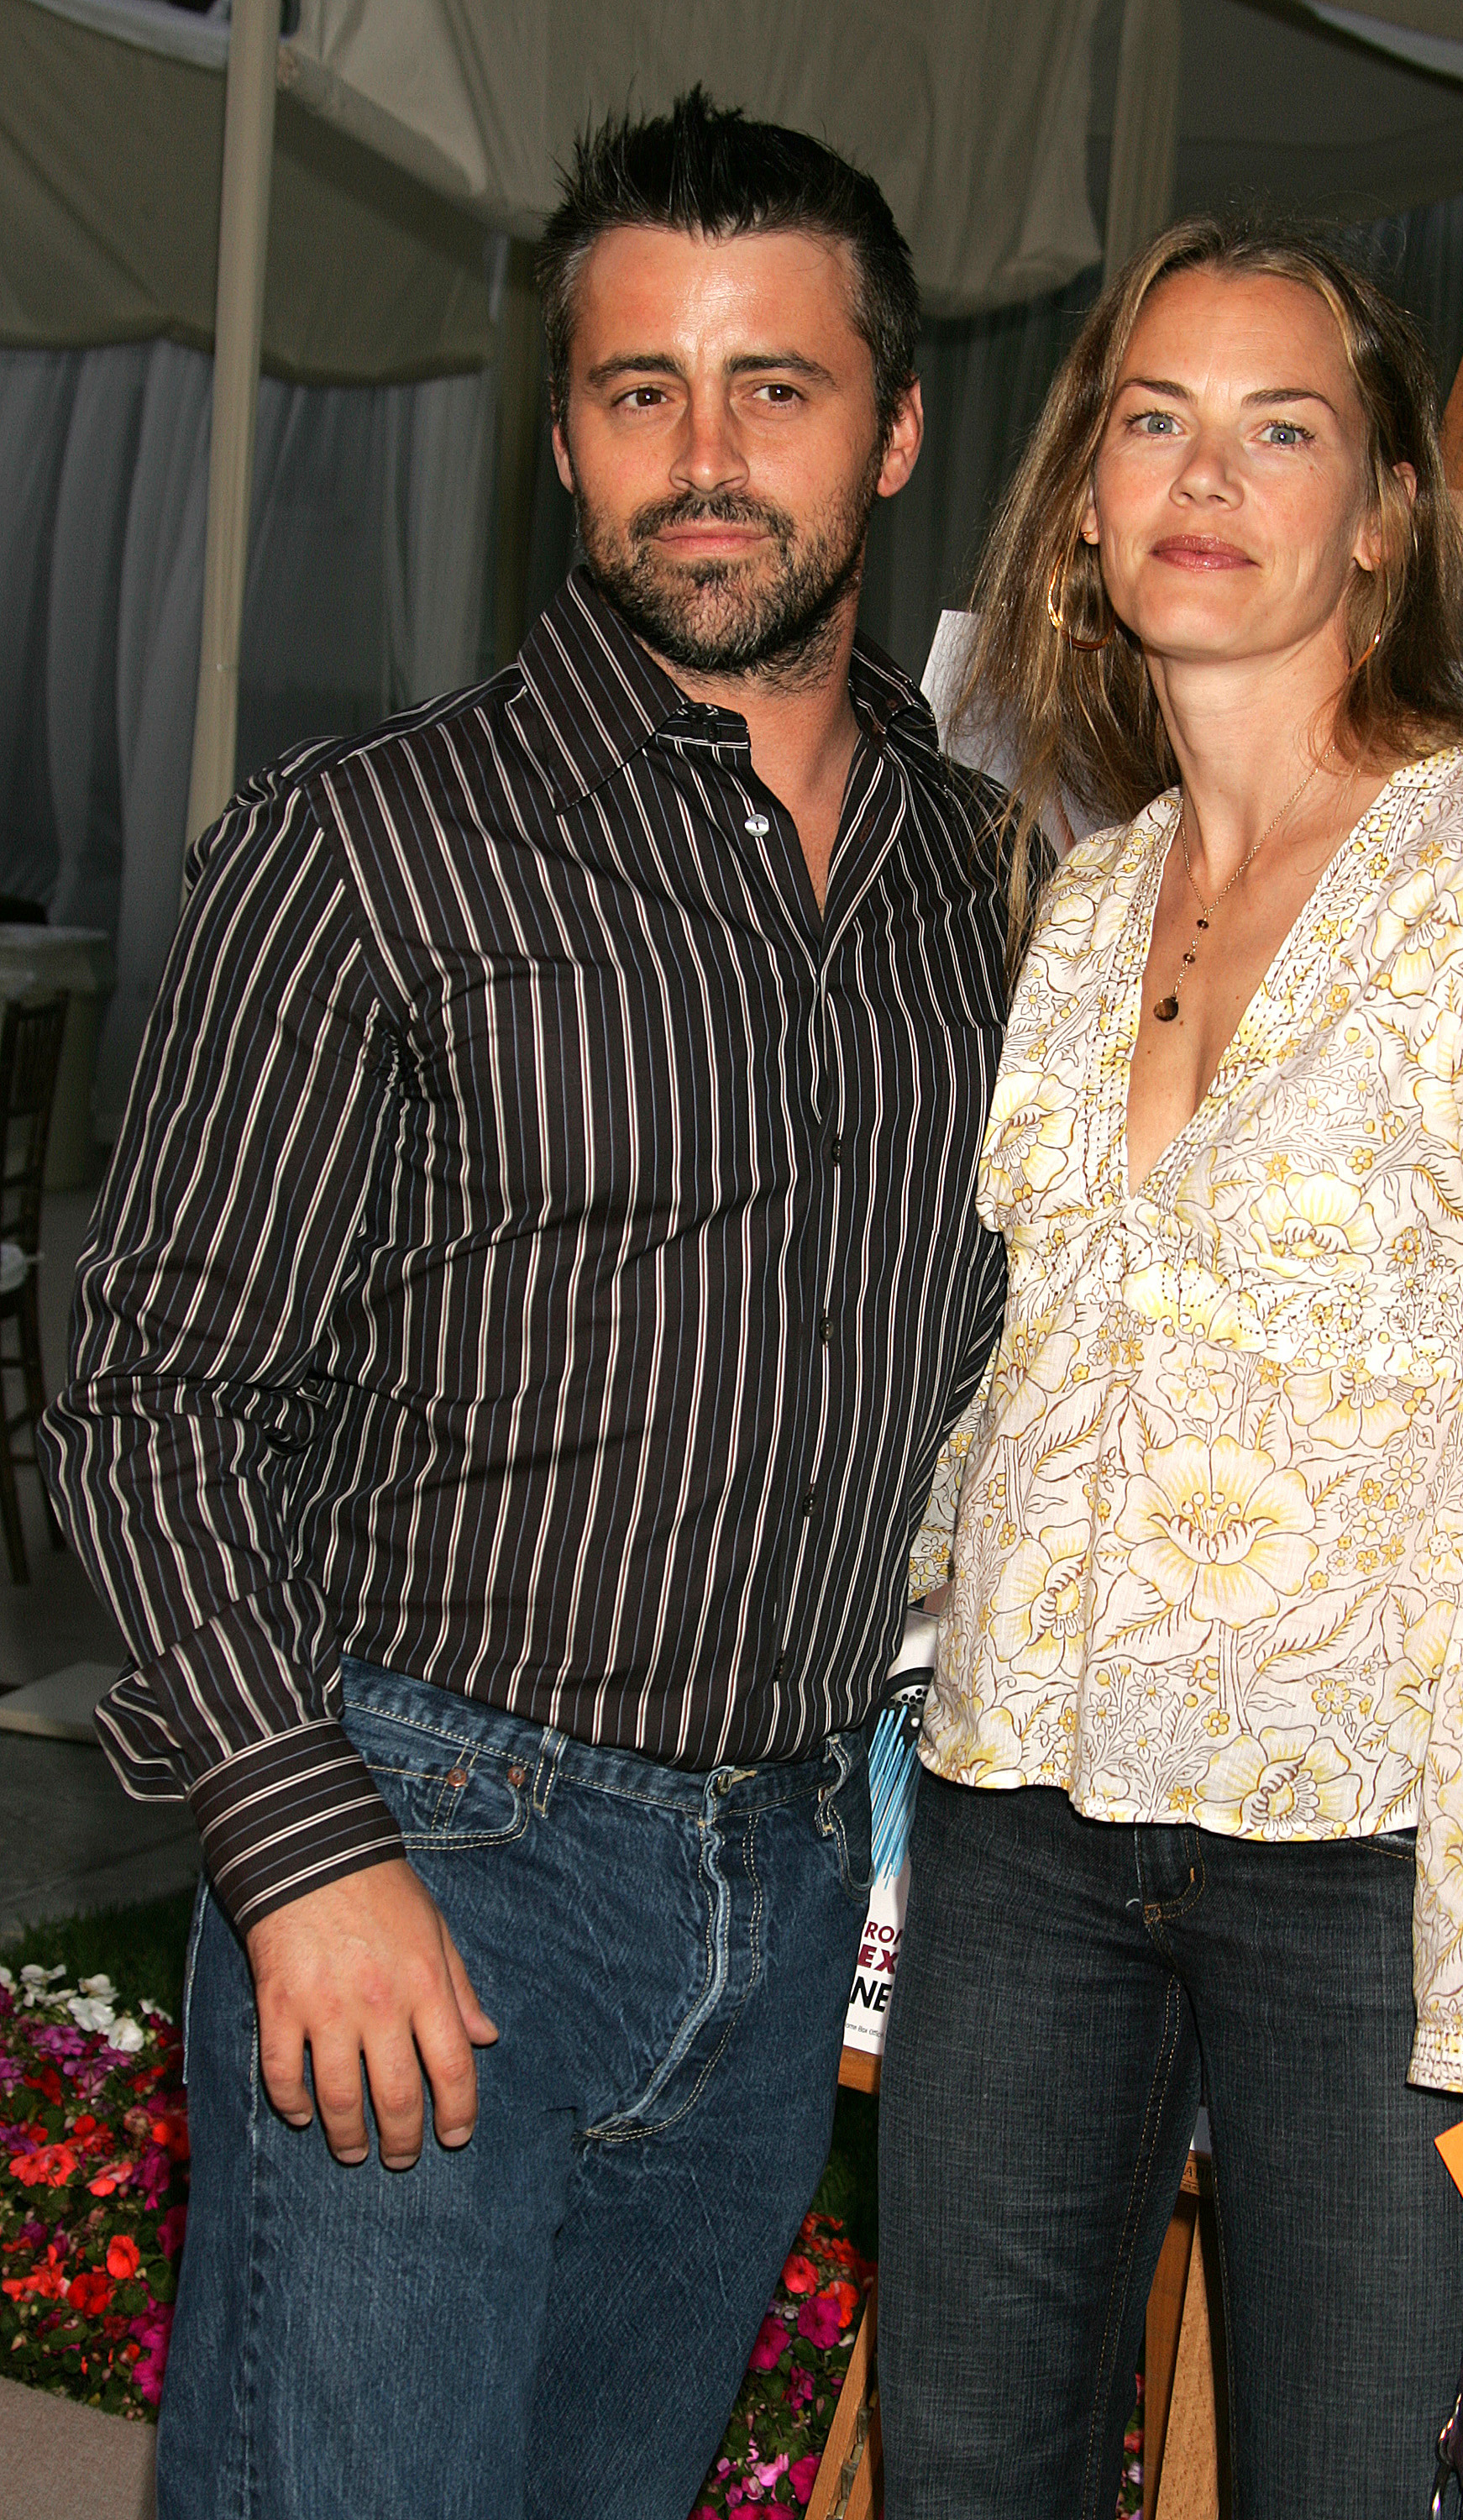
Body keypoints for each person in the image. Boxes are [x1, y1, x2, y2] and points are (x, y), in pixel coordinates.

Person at [42, 91, 1014, 2520]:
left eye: (774, 388)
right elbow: (151, 1404)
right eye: (636, 391)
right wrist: (303, 1852)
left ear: (891, 431)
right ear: (563, 437)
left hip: (785, 1890)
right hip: (434, 1850)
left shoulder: (996, 891)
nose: (704, 456)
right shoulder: (364, 848)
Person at [877, 218, 1463, 2519]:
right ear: (1082, 494)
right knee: (961, 2471)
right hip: (1026, 1817)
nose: (1203, 474)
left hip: (1370, 1864)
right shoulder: (1082, 902)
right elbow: (1029, 1377)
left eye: (1280, 428)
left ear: (1389, 514)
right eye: (1153, 419)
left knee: (1351, 2483)